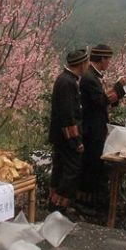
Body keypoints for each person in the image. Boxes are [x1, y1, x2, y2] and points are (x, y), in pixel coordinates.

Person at [78, 44, 126, 212]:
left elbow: (104, 99)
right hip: (91, 129)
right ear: (101, 59)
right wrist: (119, 88)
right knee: (90, 164)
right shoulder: (89, 78)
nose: (109, 63)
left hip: (97, 127)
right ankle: (84, 203)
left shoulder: (95, 76)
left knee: (94, 165)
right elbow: (100, 101)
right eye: (108, 59)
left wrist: (117, 91)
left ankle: (90, 201)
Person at [48, 49, 90, 213]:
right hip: (66, 136)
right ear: (81, 64)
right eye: (86, 63)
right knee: (71, 170)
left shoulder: (66, 79)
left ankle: (54, 202)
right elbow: (68, 115)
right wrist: (76, 141)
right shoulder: (68, 82)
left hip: (60, 135)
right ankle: (59, 204)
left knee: (60, 168)